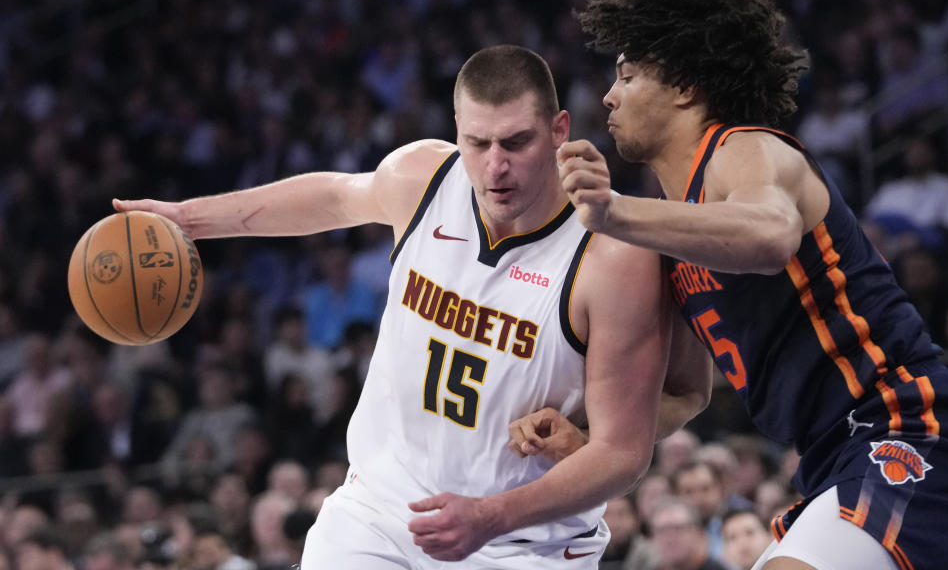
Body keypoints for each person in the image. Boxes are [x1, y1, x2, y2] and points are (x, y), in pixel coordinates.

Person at [113, 45, 711, 568]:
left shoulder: (612, 256)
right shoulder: (425, 176)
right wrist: (190, 219)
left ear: (558, 130)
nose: (495, 166)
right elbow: (331, 196)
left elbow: (622, 453)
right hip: (379, 507)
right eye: (477, 142)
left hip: (526, 541)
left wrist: (491, 516)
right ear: (456, 131)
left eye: (516, 142)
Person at [512, 0, 948, 570]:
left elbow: (772, 233)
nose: (608, 97)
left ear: (686, 86)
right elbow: (685, 395)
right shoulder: (671, 231)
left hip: (904, 422)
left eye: (627, 75)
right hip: (829, 457)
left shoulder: (745, 149)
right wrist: (585, 431)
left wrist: (612, 212)